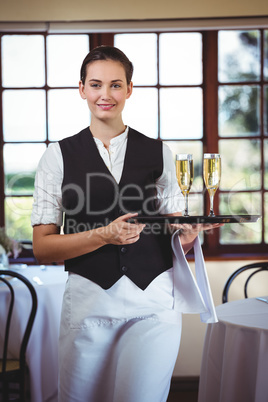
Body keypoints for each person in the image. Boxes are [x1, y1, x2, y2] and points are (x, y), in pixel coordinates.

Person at [31, 45, 222, 402]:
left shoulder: (158, 152)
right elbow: (43, 248)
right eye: (96, 84)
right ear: (82, 89)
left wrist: (187, 236)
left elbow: (172, 236)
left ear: (129, 89)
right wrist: (104, 235)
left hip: (152, 303)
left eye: (116, 85)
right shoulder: (57, 157)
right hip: (88, 306)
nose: (106, 95)